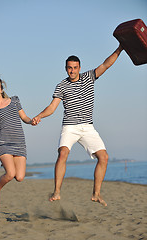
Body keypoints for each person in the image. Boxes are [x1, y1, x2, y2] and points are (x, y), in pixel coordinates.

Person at [32, 44, 123, 206]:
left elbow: (106, 64)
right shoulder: (62, 86)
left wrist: (120, 48)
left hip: (88, 127)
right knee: (63, 154)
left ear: (79, 67)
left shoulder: (89, 77)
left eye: (75, 68)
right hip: (70, 127)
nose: (72, 71)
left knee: (104, 157)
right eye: (69, 68)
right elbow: (52, 108)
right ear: (66, 69)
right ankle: (57, 191)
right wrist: (39, 116)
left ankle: (96, 194)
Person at [0, 75, 33, 207]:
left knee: (19, 177)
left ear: (2, 89)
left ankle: (7, 164)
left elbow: (24, 117)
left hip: (20, 143)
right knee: (10, 174)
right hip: (4, 144)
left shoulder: (14, 100)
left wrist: (32, 121)